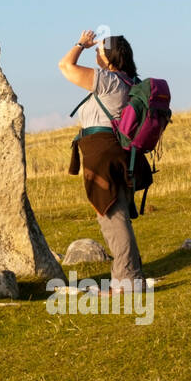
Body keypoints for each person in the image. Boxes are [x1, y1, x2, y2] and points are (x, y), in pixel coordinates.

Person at [58, 30, 151, 291]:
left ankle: (128, 280)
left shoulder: (108, 80)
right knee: (116, 213)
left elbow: (65, 66)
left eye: (99, 51)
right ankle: (128, 276)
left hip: (103, 153)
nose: (95, 53)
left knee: (111, 216)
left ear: (109, 58)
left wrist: (81, 44)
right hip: (119, 153)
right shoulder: (128, 80)